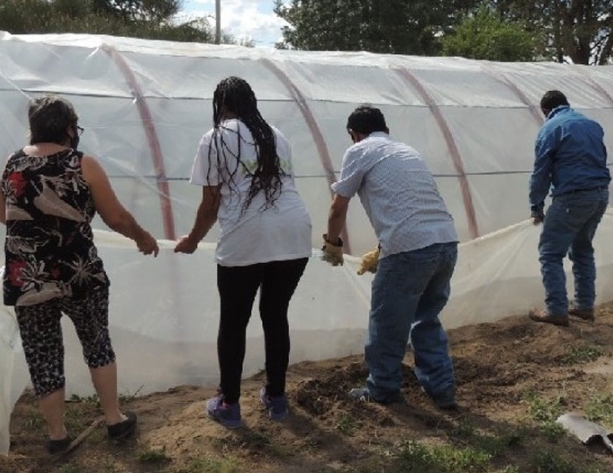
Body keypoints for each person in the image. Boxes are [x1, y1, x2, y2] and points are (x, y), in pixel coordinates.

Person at [0, 95, 158, 453]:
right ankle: (114, 420)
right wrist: (143, 237)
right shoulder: (82, 163)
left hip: (27, 277)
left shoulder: (13, 162)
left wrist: (34, 231)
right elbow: (115, 217)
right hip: (78, 273)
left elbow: (5, 212)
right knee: (96, 342)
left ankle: (57, 436)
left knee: (43, 354)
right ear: (69, 128)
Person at [174, 77, 312, 428]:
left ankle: (229, 404)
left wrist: (191, 239)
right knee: (275, 314)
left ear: (221, 104)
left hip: (247, 238)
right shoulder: (276, 135)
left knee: (234, 322)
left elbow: (210, 204)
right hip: (294, 234)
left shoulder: (217, 136)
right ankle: (276, 398)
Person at [322, 105, 459, 409]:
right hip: (446, 242)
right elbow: (411, 206)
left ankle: (382, 389)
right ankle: (442, 389)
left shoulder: (360, 150)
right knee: (425, 319)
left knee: (386, 323)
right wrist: (384, 250)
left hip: (409, 249)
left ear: (354, 134)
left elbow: (338, 206)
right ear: (386, 129)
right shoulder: (407, 151)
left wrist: (332, 243)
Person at [527, 90, 611, 327]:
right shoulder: (591, 124)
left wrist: (536, 206)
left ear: (545, 110)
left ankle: (556, 309)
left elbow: (540, 173)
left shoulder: (550, 129)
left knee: (550, 252)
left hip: (573, 197)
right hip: (600, 194)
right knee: (582, 249)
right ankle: (584, 305)